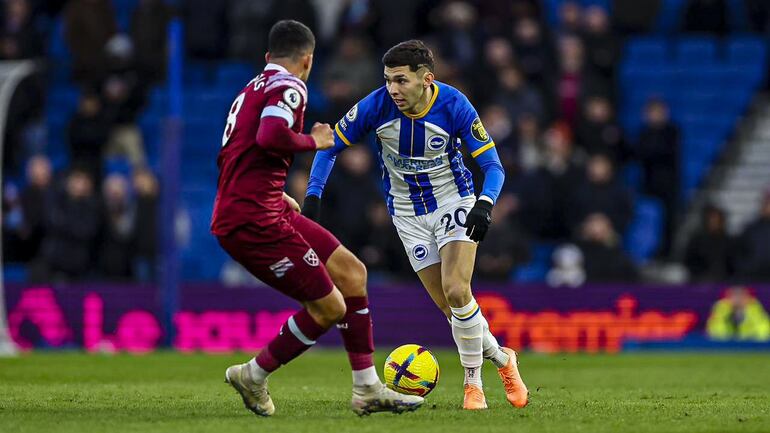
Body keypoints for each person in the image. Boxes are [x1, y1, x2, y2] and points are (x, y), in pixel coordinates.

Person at [210, 21, 423, 417]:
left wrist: (275, 192)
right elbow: (270, 137)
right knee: (329, 307)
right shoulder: (291, 86)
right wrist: (316, 142)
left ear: (267, 57)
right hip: (254, 221)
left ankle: (367, 388)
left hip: (263, 206)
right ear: (308, 60)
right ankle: (254, 374)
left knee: (352, 272)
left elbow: (237, 155)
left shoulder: (253, 87)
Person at [303, 40, 528, 410]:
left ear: (427, 79)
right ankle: (504, 359)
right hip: (406, 214)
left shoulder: (454, 104)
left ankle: (474, 386)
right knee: (451, 309)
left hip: (454, 202)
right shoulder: (376, 105)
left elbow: (493, 166)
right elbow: (329, 147)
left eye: (401, 81)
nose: (393, 89)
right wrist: (313, 197)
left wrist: (484, 206)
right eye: (389, 79)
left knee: (458, 290)